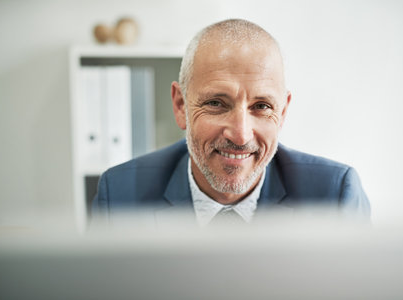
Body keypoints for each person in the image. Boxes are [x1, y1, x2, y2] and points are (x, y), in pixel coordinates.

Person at [92, 19, 370, 227]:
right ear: (180, 106)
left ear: (282, 113)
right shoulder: (118, 196)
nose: (240, 134)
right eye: (216, 103)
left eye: (261, 106)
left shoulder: (334, 196)